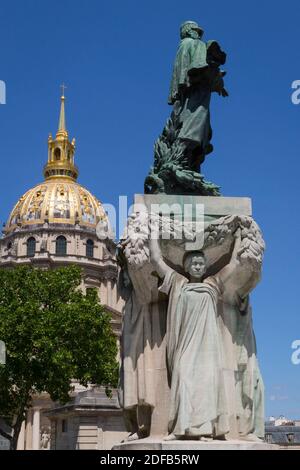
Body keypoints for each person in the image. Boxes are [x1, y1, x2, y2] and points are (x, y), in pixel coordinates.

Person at [149, 227, 243, 439]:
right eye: (195, 264)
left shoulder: (212, 285)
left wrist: (238, 238)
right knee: (182, 378)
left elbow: (234, 264)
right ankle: (181, 429)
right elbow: (156, 260)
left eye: (202, 264)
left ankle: (202, 430)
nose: (199, 266)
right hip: (185, 345)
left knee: (206, 387)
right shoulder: (177, 283)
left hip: (208, 348)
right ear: (187, 267)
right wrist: (153, 231)